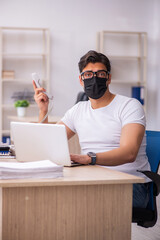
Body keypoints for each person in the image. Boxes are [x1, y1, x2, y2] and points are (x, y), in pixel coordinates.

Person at [33, 50, 151, 208]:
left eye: (100, 74)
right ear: (81, 80)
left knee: (65, 199)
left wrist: (89, 158)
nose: (94, 79)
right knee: (45, 193)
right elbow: (48, 143)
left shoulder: (129, 106)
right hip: (92, 178)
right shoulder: (78, 110)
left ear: (108, 78)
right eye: (88, 74)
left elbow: (129, 153)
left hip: (132, 185)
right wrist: (43, 110)